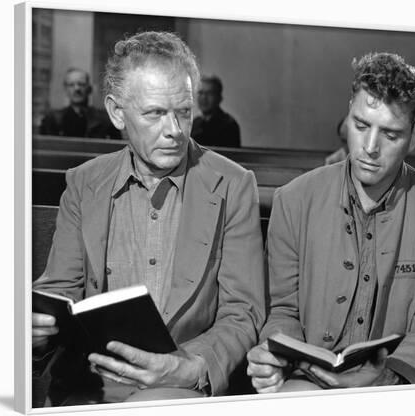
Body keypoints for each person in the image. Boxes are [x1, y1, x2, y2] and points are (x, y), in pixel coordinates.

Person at [32, 31, 265, 405]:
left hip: (178, 385)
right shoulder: (84, 183)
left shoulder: (232, 185)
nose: (174, 130)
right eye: (155, 113)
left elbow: (244, 312)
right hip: (89, 384)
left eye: (184, 111)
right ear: (116, 113)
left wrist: (191, 366)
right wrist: (37, 327)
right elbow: (61, 290)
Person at [247, 52, 415, 393]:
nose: (369, 147)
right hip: (310, 377)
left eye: (391, 134)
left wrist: (385, 379)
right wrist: (278, 359)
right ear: (348, 115)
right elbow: (282, 310)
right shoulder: (293, 200)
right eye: (361, 125)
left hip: (401, 384)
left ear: (413, 136)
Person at [40, 67, 122, 139]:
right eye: (71, 85)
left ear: (89, 88)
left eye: (81, 84)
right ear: (66, 89)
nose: (77, 89)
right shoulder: (52, 120)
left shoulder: (106, 120)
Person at [191, 75, 241, 147]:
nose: (204, 98)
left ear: (219, 98)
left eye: (210, 93)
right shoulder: (195, 123)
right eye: (201, 93)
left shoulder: (229, 125)